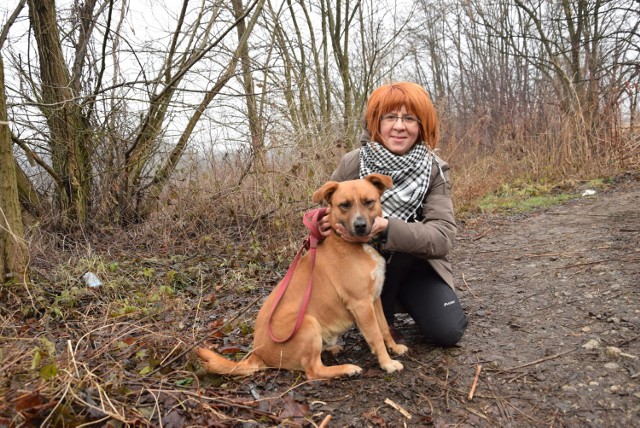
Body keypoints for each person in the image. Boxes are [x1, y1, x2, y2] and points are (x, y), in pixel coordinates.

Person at [321, 82, 467, 347]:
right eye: (390, 117)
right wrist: (318, 222)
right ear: (375, 123)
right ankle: (379, 317)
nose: (399, 126)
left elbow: (442, 237)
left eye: (409, 118)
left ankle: (400, 303)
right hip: (357, 265)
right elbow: (324, 209)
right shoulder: (353, 162)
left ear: (422, 126)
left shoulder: (435, 169)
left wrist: (387, 228)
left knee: (447, 331)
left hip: (414, 265)